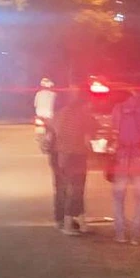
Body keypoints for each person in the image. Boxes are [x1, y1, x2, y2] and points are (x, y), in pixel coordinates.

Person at [110, 90, 140, 245]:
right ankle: (136, 236)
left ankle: (120, 234)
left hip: (121, 157)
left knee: (118, 198)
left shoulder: (117, 109)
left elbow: (113, 133)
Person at [52, 89, 97, 236]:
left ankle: (80, 223)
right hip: (77, 155)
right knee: (77, 191)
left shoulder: (61, 113)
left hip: (62, 156)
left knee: (69, 190)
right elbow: (88, 138)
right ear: (86, 103)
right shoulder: (83, 116)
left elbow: (54, 130)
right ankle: (68, 225)